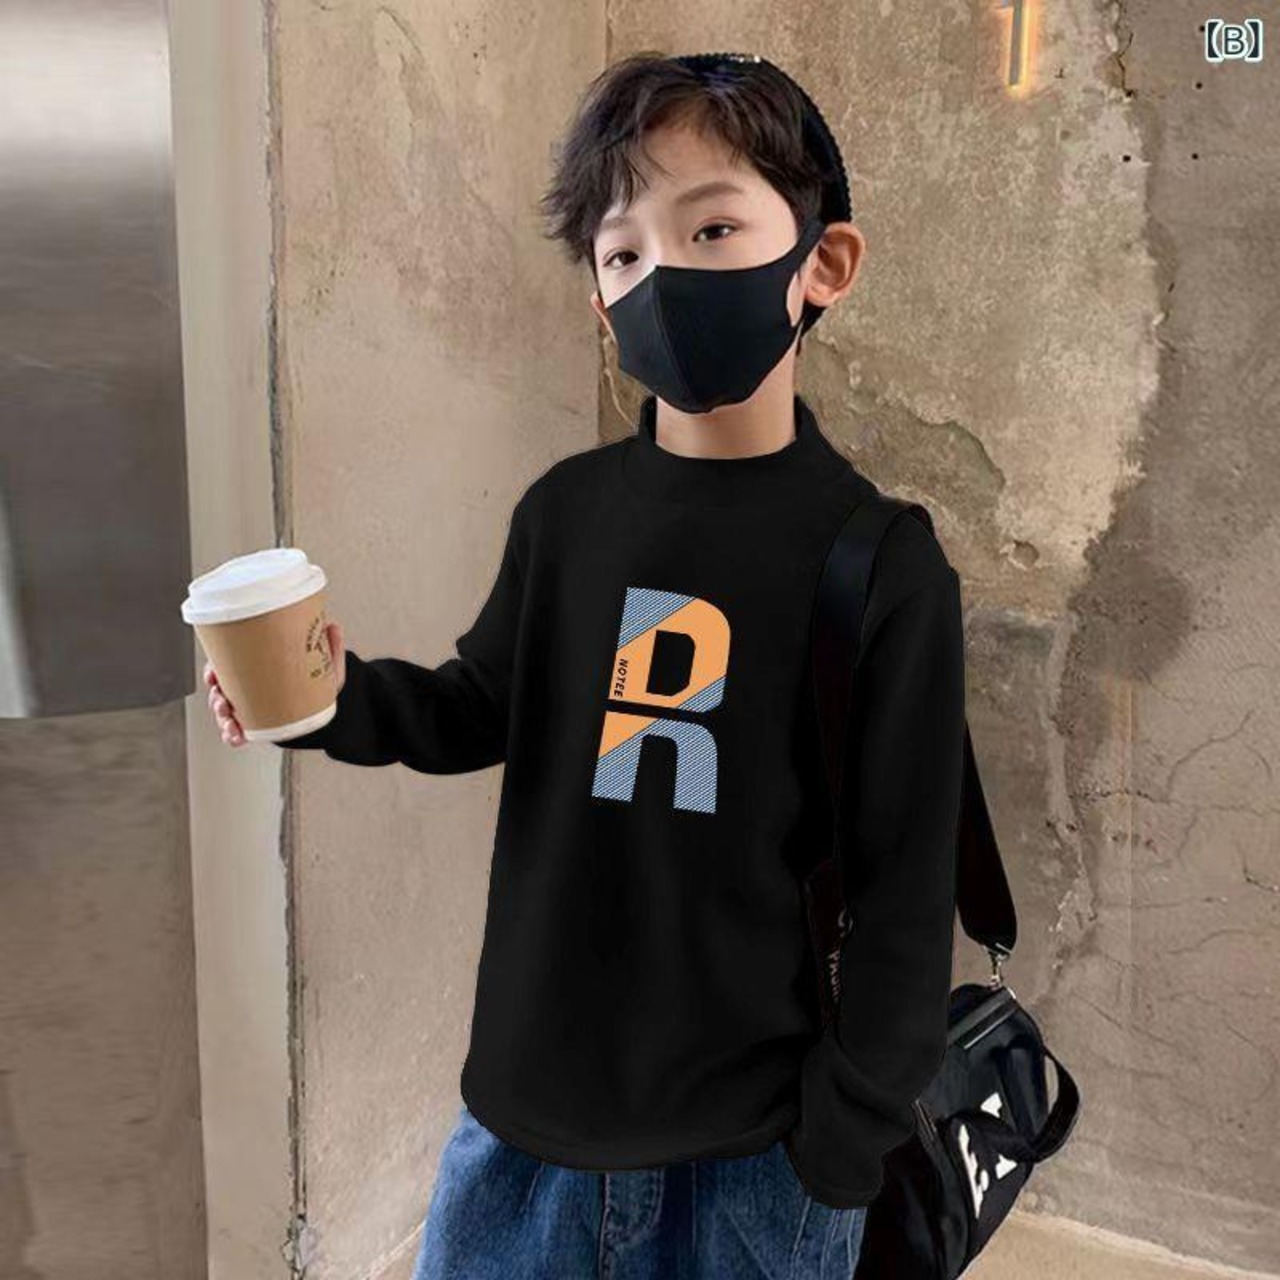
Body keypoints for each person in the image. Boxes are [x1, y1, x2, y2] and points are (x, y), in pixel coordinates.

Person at [207, 50, 966, 1280]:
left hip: (755, 1156)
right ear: (601, 302)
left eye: (710, 228)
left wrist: (841, 1141)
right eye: (621, 254)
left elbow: (905, 887)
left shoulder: (880, 562)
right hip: (525, 1134)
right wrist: (326, 700)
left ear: (822, 262)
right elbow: (475, 707)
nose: (660, 277)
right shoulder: (564, 514)